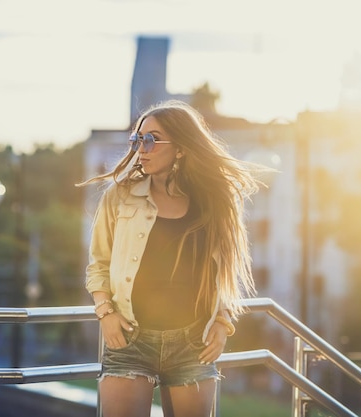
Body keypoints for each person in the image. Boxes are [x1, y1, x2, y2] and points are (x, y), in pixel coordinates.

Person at [80, 100, 260, 417]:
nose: (141, 148)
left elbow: (224, 271)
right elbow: (99, 262)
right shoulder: (120, 195)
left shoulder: (214, 201)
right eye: (137, 140)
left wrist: (222, 321)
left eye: (151, 139)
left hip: (193, 343)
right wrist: (105, 311)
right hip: (129, 340)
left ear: (180, 147)